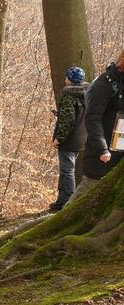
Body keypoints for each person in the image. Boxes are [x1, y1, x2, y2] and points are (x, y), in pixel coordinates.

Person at [70, 51, 124, 203]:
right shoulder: (105, 83)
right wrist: (102, 149)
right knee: (78, 204)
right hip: (102, 157)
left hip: (120, 156)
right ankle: (51, 227)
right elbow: (93, 119)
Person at [48, 67, 89, 212]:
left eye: (67, 77)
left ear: (70, 79)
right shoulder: (87, 94)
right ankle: (61, 200)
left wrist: (59, 138)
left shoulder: (69, 96)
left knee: (67, 171)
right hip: (82, 138)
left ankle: (67, 202)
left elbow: (68, 120)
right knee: (66, 169)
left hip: (69, 140)